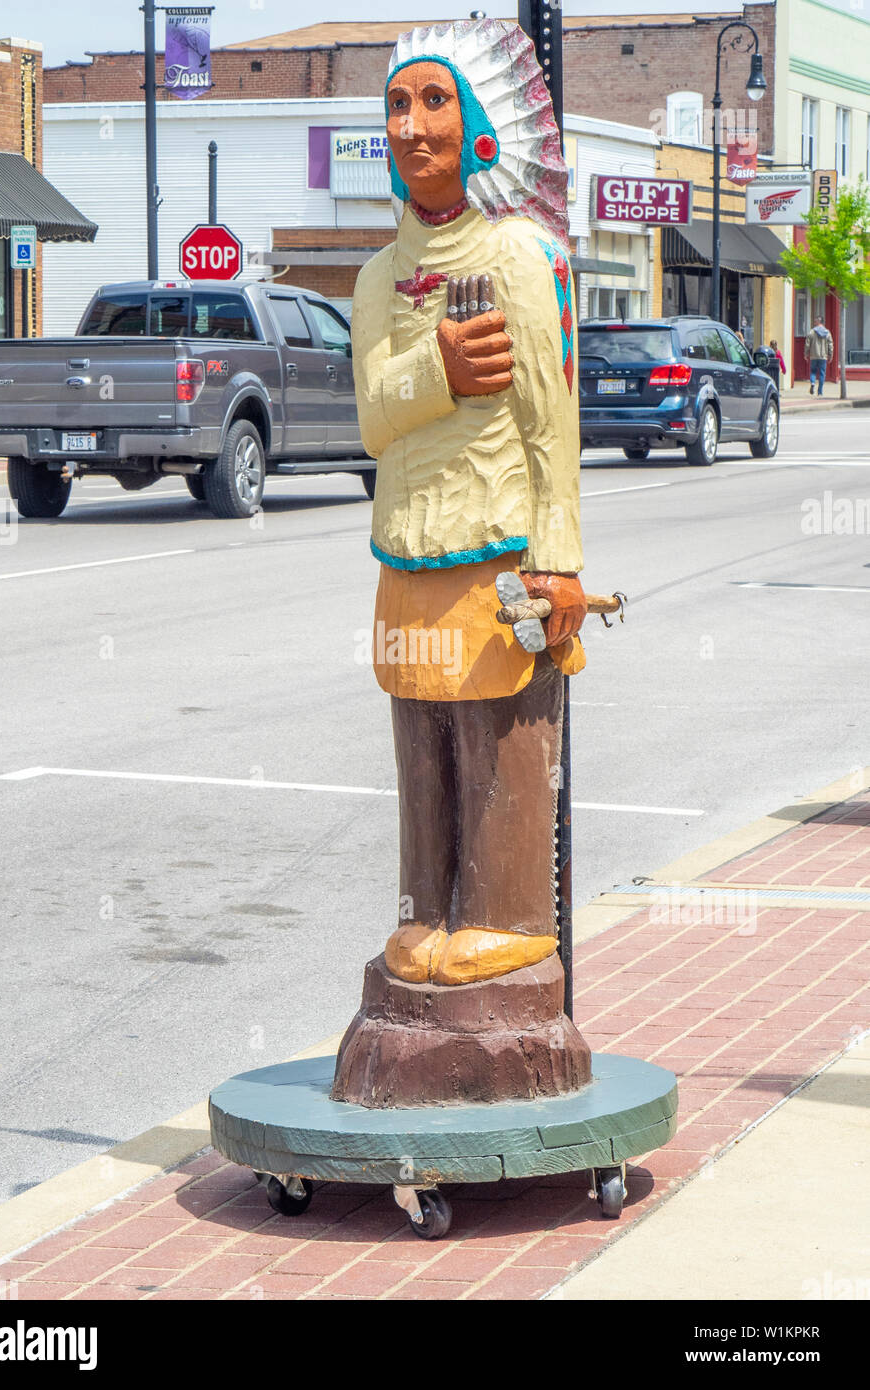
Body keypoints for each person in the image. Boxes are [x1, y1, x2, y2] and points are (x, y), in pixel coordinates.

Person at [350, 19, 584, 988]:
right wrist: (434, 369)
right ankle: (424, 903)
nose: (411, 125)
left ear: (483, 125)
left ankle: (508, 911)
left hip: (497, 549)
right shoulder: (373, 277)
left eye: (434, 100)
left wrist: (560, 555)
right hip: (406, 550)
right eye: (398, 104)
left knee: (498, 744)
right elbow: (372, 417)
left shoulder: (525, 258)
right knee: (422, 743)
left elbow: (551, 420)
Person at [804, 316, 834, 395]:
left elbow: (807, 344)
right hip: (823, 356)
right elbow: (830, 344)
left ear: (818, 322)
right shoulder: (827, 332)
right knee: (822, 373)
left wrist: (806, 354)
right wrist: (830, 355)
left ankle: (813, 383)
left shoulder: (811, 332)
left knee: (813, 371)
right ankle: (820, 391)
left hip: (814, 355)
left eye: (815, 321)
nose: (814, 323)